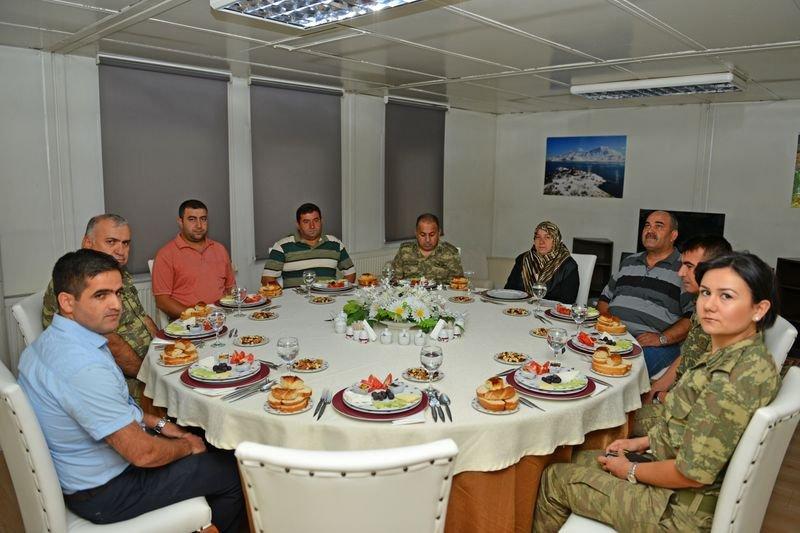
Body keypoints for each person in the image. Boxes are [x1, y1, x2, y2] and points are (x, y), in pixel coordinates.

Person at [533, 251, 781, 532]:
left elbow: (692, 475)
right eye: (706, 293)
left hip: (677, 511)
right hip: (672, 477)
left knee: (554, 478)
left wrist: (631, 470)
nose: (709, 305)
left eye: (726, 296)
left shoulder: (733, 379)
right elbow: (690, 431)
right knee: (577, 457)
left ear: (759, 309)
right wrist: (638, 444)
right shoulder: (738, 355)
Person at [18, 249, 244, 531]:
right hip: (109, 491)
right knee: (233, 469)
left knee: (202, 435)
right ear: (66, 302)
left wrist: (160, 424)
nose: (116, 305)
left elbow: (110, 410)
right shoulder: (83, 367)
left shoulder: (50, 343)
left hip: (87, 472)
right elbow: (143, 454)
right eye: (101, 295)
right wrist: (187, 446)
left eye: (117, 292)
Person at [41, 214, 158, 404]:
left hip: (146, 365)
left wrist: (165, 350)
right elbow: (110, 344)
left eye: (126, 243)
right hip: (117, 381)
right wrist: (151, 377)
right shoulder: (75, 282)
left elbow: (142, 318)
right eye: (111, 242)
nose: (120, 250)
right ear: (88, 243)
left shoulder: (118, 274)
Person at [597, 211, 694, 377]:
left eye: (659, 226)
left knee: (619, 372)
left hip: (653, 345)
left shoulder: (684, 269)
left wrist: (662, 339)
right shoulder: (629, 262)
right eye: (647, 225)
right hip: (613, 336)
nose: (650, 230)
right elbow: (604, 299)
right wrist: (608, 326)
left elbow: (691, 318)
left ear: (673, 235)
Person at [152, 199, 236, 319]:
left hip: (222, 317)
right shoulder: (166, 254)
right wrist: (197, 316)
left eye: (203, 219)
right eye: (192, 219)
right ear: (180, 222)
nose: (199, 225)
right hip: (188, 323)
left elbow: (230, 288)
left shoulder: (220, 249)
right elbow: (162, 301)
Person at [261, 202, 356, 289]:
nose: (312, 226)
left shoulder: (335, 244)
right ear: (298, 224)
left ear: (321, 221)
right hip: (296, 303)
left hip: (328, 300)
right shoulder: (282, 246)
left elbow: (350, 273)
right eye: (306, 222)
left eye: (316, 220)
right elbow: (267, 279)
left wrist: (338, 290)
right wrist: (284, 297)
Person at [504, 221, 579, 304]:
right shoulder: (523, 259)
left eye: (547, 237)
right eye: (538, 237)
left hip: (550, 313)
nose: (541, 241)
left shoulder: (568, 265)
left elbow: (568, 301)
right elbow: (509, 290)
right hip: (521, 311)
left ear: (556, 240)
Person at [391, 213, 464, 284]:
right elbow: (395, 280)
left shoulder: (450, 252)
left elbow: (458, 284)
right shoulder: (405, 251)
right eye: (422, 235)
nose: (427, 240)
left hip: (441, 295)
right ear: (416, 233)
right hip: (411, 295)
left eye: (432, 235)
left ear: (439, 233)